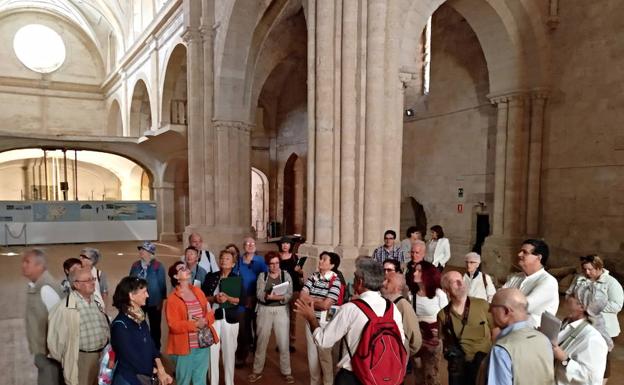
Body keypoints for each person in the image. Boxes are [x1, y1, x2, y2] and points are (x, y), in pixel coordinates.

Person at [295, 258, 406, 385]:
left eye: (354, 277)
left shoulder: (351, 308)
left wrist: (311, 318)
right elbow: (400, 341)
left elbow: (323, 341)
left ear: (361, 281)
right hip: (384, 374)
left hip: (354, 375)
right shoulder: (392, 308)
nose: (352, 282)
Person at [48, 267, 110, 385]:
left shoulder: (96, 300)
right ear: (76, 284)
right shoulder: (63, 309)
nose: (92, 282)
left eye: (93, 278)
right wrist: (68, 358)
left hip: (102, 356)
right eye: (87, 280)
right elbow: (54, 344)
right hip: (81, 359)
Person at [565, 254, 622, 383]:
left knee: (602, 358)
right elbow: (569, 294)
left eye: (590, 269)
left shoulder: (611, 283)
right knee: (583, 354)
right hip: (581, 322)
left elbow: (617, 305)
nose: (587, 272)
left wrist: (592, 308)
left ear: (599, 267)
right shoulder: (579, 278)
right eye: (584, 269)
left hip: (604, 326)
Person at [110, 277, 173, 385]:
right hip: (128, 380)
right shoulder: (120, 325)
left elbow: (151, 345)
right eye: (144, 292)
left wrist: (161, 368)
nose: (147, 295)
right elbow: (132, 358)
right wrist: (157, 372)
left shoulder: (140, 318)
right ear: (131, 296)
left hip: (143, 377)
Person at [485, 288, 554, 385]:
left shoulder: (501, 349)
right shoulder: (544, 339)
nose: (489, 311)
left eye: (492, 306)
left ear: (506, 311)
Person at [165, 261, 217, 385]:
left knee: (200, 379)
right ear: (176, 277)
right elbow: (173, 325)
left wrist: (206, 321)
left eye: (186, 267)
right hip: (184, 347)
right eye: (181, 268)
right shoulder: (172, 299)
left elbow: (209, 313)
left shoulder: (198, 292)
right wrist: (194, 325)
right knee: (184, 380)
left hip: (202, 343)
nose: (186, 269)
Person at [438, 271, 492, 385]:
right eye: (454, 281)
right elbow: (445, 342)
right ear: (445, 290)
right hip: (459, 370)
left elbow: (496, 332)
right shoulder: (443, 315)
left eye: (461, 280)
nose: (460, 283)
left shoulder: (482, 305)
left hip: (483, 366)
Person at [248, 251, 295, 383]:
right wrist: (268, 297)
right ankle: (257, 371)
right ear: (268, 265)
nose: (274, 266)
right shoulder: (262, 276)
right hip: (264, 310)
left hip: (281, 310)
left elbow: (289, 294)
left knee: (283, 342)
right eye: (271, 264)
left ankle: (287, 371)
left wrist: (277, 297)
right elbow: (258, 293)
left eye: (277, 263)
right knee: (261, 341)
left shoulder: (286, 275)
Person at [299, 251, 343, 385]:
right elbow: (302, 296)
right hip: (310, 320)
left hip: (326, 323)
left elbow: (326, 305)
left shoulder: (336, 281)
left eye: (324, 260)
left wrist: (310, 300)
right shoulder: (314, 276)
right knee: (312, 357)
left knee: (325, 357)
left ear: (332, 265)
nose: (320, 262)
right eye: (320, 259)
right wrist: (318, 300)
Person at [201, 249, 244, 385]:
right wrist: (214, 298)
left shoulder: (236, 279)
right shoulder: (210, 276)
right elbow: (202, 298)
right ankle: (213, 382)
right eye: (222, 258)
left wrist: (228, 298)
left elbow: (242, 300)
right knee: (212, 351)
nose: (223, 260)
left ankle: (229, 382)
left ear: (233, 264)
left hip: (230, 318)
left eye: (227, 259)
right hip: (213, 317)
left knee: (229, 352)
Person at [22, 248, 63, 385]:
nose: (24, 265)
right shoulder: (36, 286)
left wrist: (53, 352)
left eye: (27, 262)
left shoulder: (46, 289)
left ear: (40, 266)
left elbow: (60, 323)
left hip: (50, 356)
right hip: (43, 354)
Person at [554, 284, 609, 385]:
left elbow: (591, 379)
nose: (567, 296)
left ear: (582, 306)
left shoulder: (593, 339)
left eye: (572, 295)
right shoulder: (568, 323)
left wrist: (564, 359)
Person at [502, 239, 558, 327]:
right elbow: (497, 296)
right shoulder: (516, 277)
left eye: (525, 252)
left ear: (538, 257)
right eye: (520, 251)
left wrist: (503, 303)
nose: (519, 254)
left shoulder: (548, 281)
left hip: (532, 335)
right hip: (511, 328)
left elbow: (524, 306)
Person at [411, 260, 447, 385]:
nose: (415, 273)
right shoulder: (412, 295)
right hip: (418, 338)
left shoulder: (438, 294)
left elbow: (446, 317)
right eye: (415, 270)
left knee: (432, 373)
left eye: (419, 271)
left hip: (433, 338)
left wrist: (440, 332)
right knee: (418, 372)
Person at [234, 237, 268, 365]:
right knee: (243, 329)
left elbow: (266, 279)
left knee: (258, 328)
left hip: (258, 300)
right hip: (242, 301)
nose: (250, 245)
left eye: (253, 243)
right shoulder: (238, 262)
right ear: (243, 246)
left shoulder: (261, 261)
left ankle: (258, 358)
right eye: (247, 243)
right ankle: (242, 355)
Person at [129, 241, 167, 350]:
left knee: (155, 327)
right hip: (138, 302)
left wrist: (161, 301)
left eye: (143, 250)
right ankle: (140, 347)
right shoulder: (135, 265)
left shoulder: (158, 266)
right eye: (140, 249)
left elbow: (162, 285)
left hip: (154, 302)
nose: (140, 251)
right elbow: (130, 282)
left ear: (150, 253)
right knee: (138, 325)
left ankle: (155, 349)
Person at [382, 271, 422, 358]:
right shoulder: (383, 301)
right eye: (384, 279)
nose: (383, 283)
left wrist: (404, 353)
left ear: (398, 288)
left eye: (388, 281)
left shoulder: (403, 306)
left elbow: (415, 340)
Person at [278, 237, 304, 351]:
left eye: (287, 244)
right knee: (280, 318)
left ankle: (291, 342)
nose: (285, 245)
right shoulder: (277, 257)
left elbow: (300, 275)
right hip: (280, 291)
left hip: (293, 290)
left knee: (292, 318)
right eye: (283, 243)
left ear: (290, 246)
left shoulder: (295, 257)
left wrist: (300, 271)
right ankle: (281, 341)